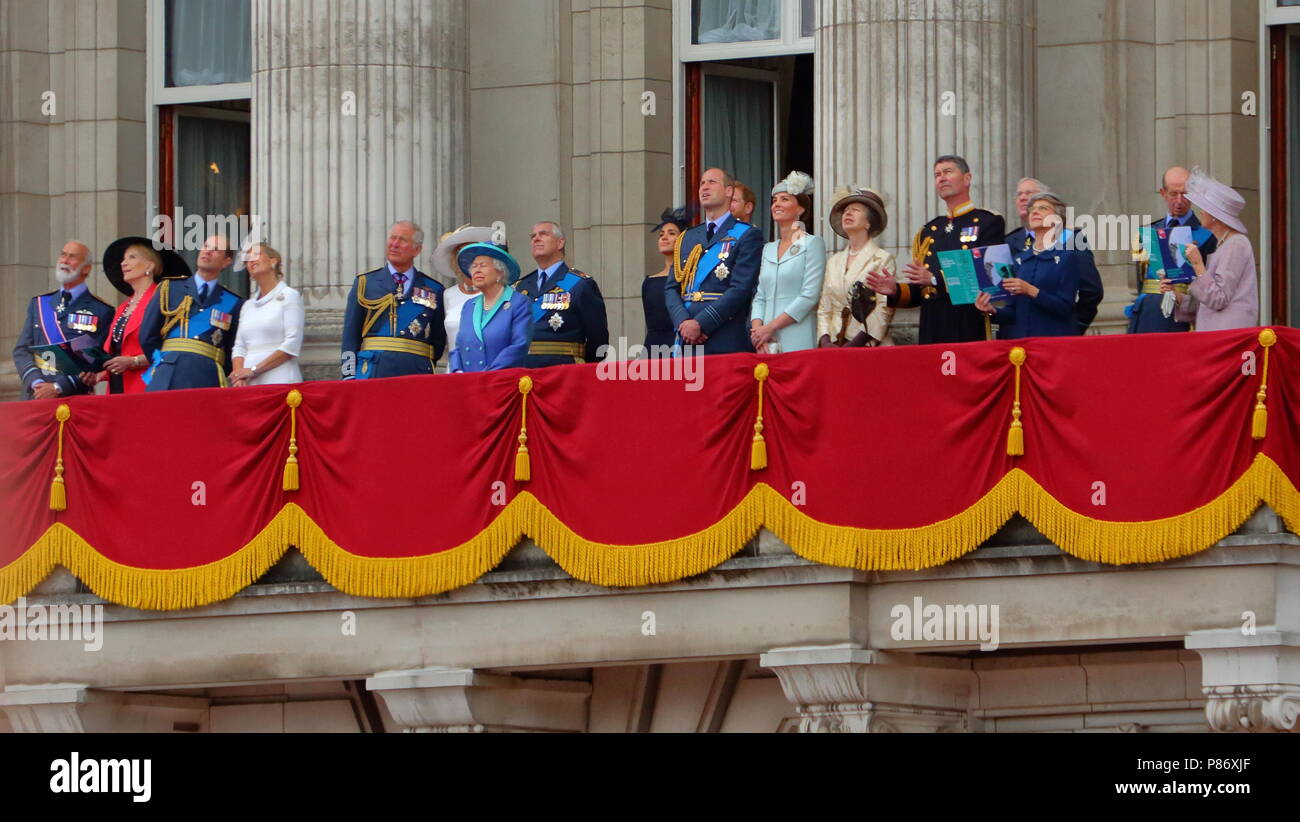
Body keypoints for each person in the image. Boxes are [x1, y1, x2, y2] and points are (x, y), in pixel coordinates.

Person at [865, 155, 1006, 343]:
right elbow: (922, 291)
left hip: (968, 323)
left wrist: (933, 278)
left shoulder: (988, 222)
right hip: (932, 325)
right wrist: (895, 290)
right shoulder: (929, 231)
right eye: (937, 174)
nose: (942, 178)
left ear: (967, 178)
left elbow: (991, 278)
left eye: (948, 172)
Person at [664, 167, 763, 354]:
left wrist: (701, 324)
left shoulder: (747, 235)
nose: (704, 187)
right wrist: (683, 322)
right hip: (686, 338)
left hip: (724, 336)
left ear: (728, 191)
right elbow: (671, 288)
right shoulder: (687, 237)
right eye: (702, 183)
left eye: (712, 182)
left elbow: (741, 289)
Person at [340, 221, 447, 380]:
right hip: (372, 372)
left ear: (417, 249)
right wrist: (348, 375)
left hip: (416, 372)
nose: (394, 244)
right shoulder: (365, 283)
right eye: (392, 238)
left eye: (402, 240)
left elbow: (438, 340)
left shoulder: (434, 289)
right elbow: (350, 336)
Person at [139, 234, 245, 391]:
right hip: (168, 373)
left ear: (226, 262)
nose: (207, 252)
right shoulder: (169, 288)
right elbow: (147, 335)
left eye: (215, 250)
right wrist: (160, 362)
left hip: (208, 376)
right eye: (205, 246)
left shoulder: (234, 302)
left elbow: (231, 348)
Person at [12, 240, 114, 400]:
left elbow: (94, 360)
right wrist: (36, 382)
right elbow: (22, 350)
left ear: (86, 269)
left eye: (72, 257)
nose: (65, 260)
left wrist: (57, 387)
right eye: (63, 255)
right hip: (35, 396)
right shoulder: (39, 303)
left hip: (74, 397)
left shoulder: (102, 310)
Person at [975, 191, 1083, 338]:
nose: (1035, 212)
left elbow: (1065, 307)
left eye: (1043, 208)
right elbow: (1013, 312)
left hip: (1053, 342)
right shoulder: (1018, 259)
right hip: (1020, 346)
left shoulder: (1067, 257)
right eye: (1032, 209)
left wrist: (1031, 290)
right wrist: (992, 310)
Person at [1126, 166, 1218, 334]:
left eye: (1185, 194)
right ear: (1163, 193)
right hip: (1147, 317)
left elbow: (1209, 287)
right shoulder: (1145, 232)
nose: (1179, 200)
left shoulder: (1207, 236)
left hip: (1182, 320)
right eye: (1174, 194)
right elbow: (1141, 282)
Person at [94, 236, 190, 394]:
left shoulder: (164, 302)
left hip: (147, 385)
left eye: (131, 257)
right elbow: (116, 350)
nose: (123, 263)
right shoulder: (123, 307)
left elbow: (173, 350)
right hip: (118, 387)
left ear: (150, 265)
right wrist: (98, 374)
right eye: (124, 259)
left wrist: (134, 361)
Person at [1166, 168, 1258, 331]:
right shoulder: (1224, 243)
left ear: (1215, 215)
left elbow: (1218, 299)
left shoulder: (1236, 244)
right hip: (1217, 336)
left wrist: (1198, 265)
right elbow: (1206, 303)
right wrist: (1176, 295)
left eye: (1204, 207)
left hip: (1228, 339)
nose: (1200, 211)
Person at [513, 221, 609, 366]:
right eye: (533, 236)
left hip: (564, 372)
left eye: (543, 234)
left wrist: (578, 369)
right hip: (524, 372)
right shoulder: (520, 286)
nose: (536, 238)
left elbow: (599, 340)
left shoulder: (581, 284)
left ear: (560, 243)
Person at [750, 171, 825, 353]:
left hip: (797, 335)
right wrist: (757, 331)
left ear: (800, 209)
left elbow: (809, 296)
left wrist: (771, 328)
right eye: (774, 200)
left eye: (785, 199)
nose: (777, 204)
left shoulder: (812, 244)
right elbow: (760, 296)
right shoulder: (768, 248)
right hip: (765, 341)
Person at [818, 186, 897, 347]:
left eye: (855, 210)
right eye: (846, 210)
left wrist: (855, 344)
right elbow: (824, 307)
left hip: (867, 345)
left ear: (868, 223)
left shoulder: (882, 259)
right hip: (834, 345)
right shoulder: (834, 261)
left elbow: (884, 308)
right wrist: (825, 340)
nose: (848, 213)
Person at [448, 243, 532, 372]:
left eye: (483, 265)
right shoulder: (469, 306)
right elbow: (458, 347)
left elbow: (519, 346)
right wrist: (456, 370)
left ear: (500, 272)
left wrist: (488, 374)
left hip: (500, 381)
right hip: (468, 383)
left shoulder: (518, 302)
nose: (476, 270)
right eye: (474, 266)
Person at [229, 243, 304, 386]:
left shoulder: (289, 296)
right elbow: (239, 347)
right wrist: (239, 375)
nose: (250, 260)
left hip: (280, 379)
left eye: (256, 255)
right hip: (249, 384)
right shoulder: (247, 306)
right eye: (247, 260)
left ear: (273, 261)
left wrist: (254, 370)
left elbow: (292, 344)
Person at [430, 224, 494, 361]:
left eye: (473, 253)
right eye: (461, 253)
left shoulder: (500, 293)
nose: (468, 259)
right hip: (455, 373)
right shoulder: (447, 295)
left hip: (490, 372)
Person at [644, 207, 688, 351]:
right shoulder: (649, 282)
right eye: (661, 234)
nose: (664, 237)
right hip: (654, 348)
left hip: (682, 345)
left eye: (671, 233)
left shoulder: (689, 278)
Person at [1004, 177, 1044, 253]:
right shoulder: (1008, 242)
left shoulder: (1063, 237)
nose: (1022, 198)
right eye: (1019, 194)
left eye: (1028, 193)